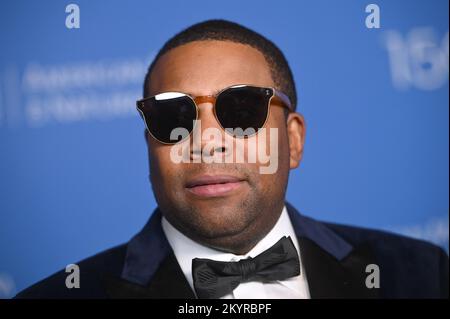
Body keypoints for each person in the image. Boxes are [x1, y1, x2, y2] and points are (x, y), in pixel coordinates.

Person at [16, 19, 448, 299]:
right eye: (173, 116)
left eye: (241, 111)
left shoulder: (421, 276)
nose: (206, 142)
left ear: (293, 141)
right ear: (149, 143)